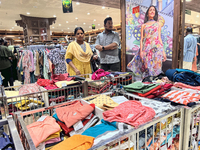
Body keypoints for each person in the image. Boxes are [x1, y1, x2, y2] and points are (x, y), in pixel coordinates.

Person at [127, 5, 167, 78]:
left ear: (155, 13)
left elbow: (159, 38)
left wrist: (163, 52)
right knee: (146, 68)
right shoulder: (143, 25)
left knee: (156, 68)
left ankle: (155, 85)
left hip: (156, 49)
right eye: (150, 10)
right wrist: (141, 51)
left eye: (153, 10)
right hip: (146, 49)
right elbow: (142, 39)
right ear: (147, 13)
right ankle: (146, 84)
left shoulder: (158, 24)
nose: (152, 11)